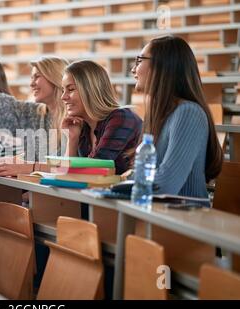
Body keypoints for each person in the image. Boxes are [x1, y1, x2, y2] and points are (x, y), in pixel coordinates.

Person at [0, 33, 69, 176]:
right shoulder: (35, 112)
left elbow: (69, 168)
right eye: (31, 77)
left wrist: (29, 167)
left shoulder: (73, 118)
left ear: (55, 78)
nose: (31, 84)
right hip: (33, 189)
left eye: (37, 77)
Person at [131, 35, 223, 197]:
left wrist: (118, 188)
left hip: (184, 217)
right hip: (158, 212)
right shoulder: (159, 113)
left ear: (162, 66)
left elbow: (167, 184)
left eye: (139, 61)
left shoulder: (188, 113)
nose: (133, 69)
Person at [61, 60, 143, 175]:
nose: (63, 97)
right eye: (63, 90)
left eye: (70, 89)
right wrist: (72, 138)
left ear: (91, 89)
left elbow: (93, 170)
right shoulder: (83, 126)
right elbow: (66, 173)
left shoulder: (121, 118)